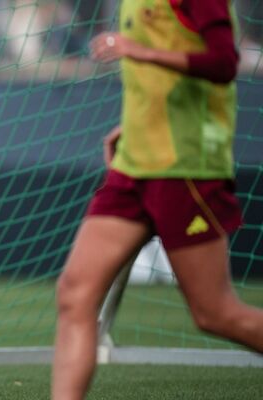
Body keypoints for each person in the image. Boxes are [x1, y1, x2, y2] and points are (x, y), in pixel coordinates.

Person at [52, 1, 263, 399]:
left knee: (214, 313)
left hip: (186, 169)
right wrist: (133, 124)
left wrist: (138, 49)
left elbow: (223, 62)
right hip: (134, 167)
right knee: (75, 294)